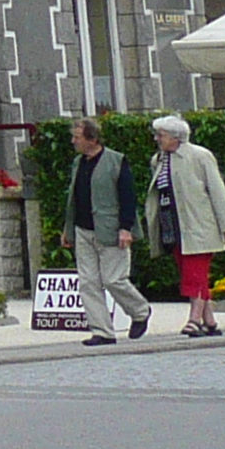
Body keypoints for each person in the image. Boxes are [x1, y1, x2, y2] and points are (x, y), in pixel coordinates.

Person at [66, 116, 153, 345]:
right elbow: (73, 198)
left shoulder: (116, 161)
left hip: (110, 229)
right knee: (88, 282)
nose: (73, 142)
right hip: (83, 230)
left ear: (92, 139)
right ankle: (102, 331)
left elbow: (128, 197)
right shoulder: (78, 163)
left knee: (114, 279)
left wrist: (126, 228)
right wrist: (68, 229)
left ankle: (140, 311)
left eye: (77, 137)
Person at [149, 115, 225, 338]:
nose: (158, 139)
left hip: (199, 225)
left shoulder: (200, 156)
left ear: (176, 137)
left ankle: (194, 319)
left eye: (161, 135)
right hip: (173, 225)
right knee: (189, 271)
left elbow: (217, 190)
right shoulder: (158, 160)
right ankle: (210, 321)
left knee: (195, 272)